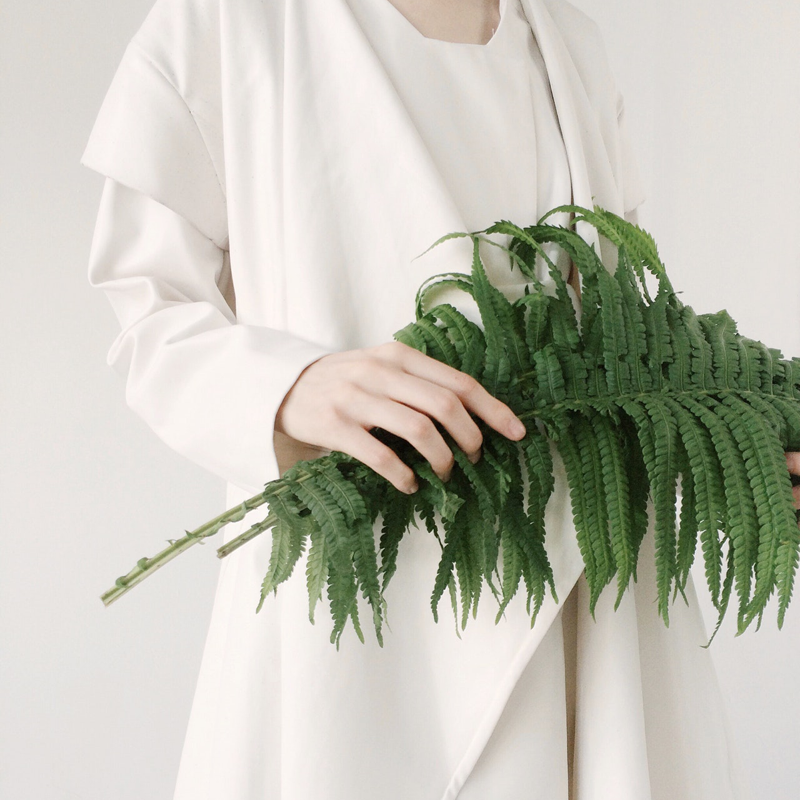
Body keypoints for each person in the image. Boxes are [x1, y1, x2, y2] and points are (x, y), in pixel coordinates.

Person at [83, 0, 795, 796]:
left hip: (586, 598)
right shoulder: (225, 24)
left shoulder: (570, 46)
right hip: (367, 582)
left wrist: (734, 440)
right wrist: (288, 386)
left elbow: (619, 328)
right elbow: (149, 309)